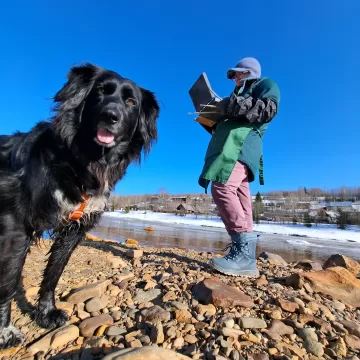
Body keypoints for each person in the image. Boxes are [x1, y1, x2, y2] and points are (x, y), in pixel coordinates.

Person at [198, 57, 280, 276]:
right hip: (233, 147)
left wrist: (229, 105)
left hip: (240, 147)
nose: (234, 79)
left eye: (237, 74)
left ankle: (242, 252)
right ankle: (247, 259)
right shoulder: (238, 95)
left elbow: (267, 110)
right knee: (242, 200)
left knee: (222, 188)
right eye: (233, 75)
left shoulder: (265, 84)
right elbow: (232, 120)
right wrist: (212, 118)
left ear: (249, 72)